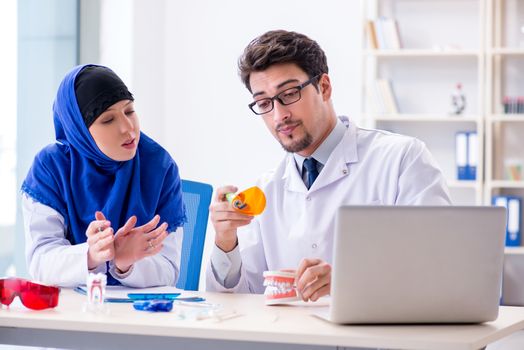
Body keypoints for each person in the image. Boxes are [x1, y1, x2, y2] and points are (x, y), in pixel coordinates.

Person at [206, 30, 451, 301]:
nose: (279, 115)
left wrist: (352, 280)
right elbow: (240, 301)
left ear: (324, 87)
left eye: (288, 94)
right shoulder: (267, 188)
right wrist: (226, 241)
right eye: (264, 103)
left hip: (375, 340)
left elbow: (438, 265)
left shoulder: (402, 158)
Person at [21, 64, 186, 288]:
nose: (128, 128)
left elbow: (169, 269)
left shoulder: (159, 166)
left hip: (140, 315)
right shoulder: (51, 167)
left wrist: (125, 263)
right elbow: (40, 261)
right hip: (71, 315)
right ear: (79, 129)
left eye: (129, 111)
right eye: (108, 120)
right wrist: (92, 254)